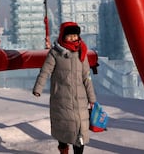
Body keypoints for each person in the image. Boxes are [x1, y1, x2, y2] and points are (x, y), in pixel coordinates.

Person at [32, 22, 97, 154]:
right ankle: (63, 150)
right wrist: (38, 88)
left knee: (80, 133)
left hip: (79, 100)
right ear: (63, 36)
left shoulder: (82, 53)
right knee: (63, 129)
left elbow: (86, 77)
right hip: (61, 99)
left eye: (75, 35)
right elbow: (45, 71)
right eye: (70, 36)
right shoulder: (55, 53)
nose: (73, 38)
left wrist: (92, 98)